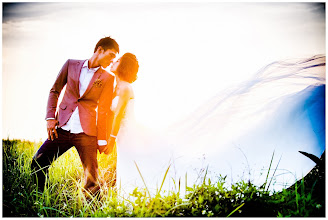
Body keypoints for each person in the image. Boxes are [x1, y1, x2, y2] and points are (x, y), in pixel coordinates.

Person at [31, 36, 119, 195]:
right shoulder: (71, 64)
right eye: (111, 55)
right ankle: (39, 198)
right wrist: (50, 117)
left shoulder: (108, 78)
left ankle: (94, 213)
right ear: (100, 50)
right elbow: (55, 90)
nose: (112, 60)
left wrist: (102, 139)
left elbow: (104, 110)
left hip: (87, 133)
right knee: (38, 162)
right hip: (62, 128)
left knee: (91, 179)